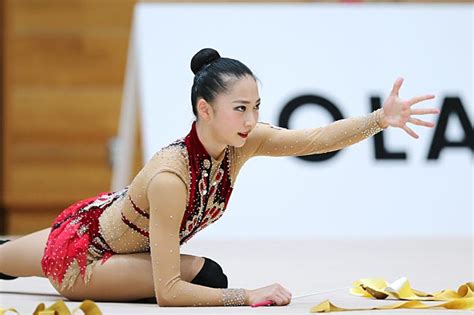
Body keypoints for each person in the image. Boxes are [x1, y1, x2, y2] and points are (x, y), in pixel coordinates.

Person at [0, 48, 439, 307]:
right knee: (211, 279)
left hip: (96, 228)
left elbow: (315, 138)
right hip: (85, 259)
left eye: (256, 106)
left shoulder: (242, 141)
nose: (252, 119)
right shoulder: (171, 178)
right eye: (240, 108)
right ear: (204, 110)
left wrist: (381, 119)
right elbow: (169, 291)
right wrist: (250, 295)